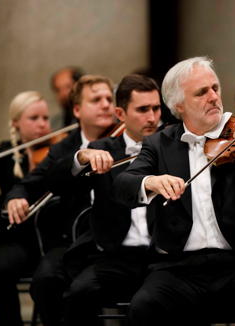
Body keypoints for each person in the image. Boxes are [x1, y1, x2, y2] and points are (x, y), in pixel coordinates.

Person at [113, 56, 235, 326]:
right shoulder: (159, 144)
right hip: (177, 268)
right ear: (178, 104)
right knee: (144, 305)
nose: (214, 97)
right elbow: (123, 184)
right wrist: (151, 182)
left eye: (215, 88)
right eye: (202, 92)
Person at [43, 74, 162, 326]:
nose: (152, 117)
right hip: (115, 255)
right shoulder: (103, 148)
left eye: (156, 108)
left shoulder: (170, 146)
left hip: (160, 255)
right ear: (120, 114)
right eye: (142, 109)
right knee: (79, 293)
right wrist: (81, 157)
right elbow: (54, 181)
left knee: (154, 303)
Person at [5, 74, 116, 326]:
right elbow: (29, 183)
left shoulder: (124, 141)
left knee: (84, 290)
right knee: (44, 281)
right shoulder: (63, 148)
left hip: (113, 240)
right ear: (77, 110)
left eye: (110, 99)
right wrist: (16, 198)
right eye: (96, 99)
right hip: (73, 241)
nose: (106, 104)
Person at [0, 91, 51, 326]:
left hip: (41, 237)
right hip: (10, 234)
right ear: (16, 122)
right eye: (33, 118)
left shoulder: (56, 151)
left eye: (45, 118)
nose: (42, 125)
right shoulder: (6, 150)